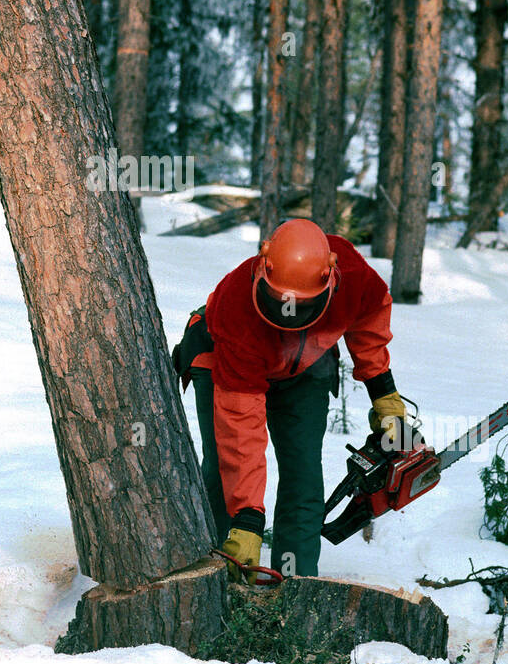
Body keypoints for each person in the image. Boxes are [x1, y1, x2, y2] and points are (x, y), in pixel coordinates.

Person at [172, 218, 414, 581]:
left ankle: (296, 583)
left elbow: (369, 320)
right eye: (282, 301)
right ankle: (219, 572)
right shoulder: (236, 306)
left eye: (303, 306)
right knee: (223, 471)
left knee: (303, 477)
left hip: (308, 365)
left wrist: (384, 395)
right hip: (223, 357)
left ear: (330, 280)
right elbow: (242, 430)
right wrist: (248, 518)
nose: (291, 314)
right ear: (263, 268)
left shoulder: (352, 274)